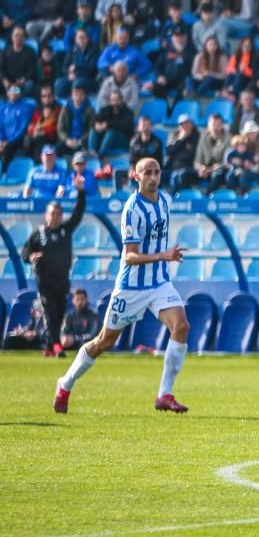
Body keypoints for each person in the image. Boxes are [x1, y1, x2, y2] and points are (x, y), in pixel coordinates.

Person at [55, 157, 190, 413]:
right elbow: (129, 256)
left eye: (156, 172)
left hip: (160, 281)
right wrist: (163, 255)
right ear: (136, 177)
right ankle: (66, 382)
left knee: (181, 326)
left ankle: (164, 394)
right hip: (131, 287)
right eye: (147, 172)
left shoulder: (165, 200)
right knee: (104, 341)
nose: (153, 177)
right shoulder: (133, 209)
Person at [21, 174, 86, 354]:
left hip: (62, 278)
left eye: (58, 214)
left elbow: (78, 213)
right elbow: (25, 252)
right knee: (50, 311)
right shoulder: (38, 234)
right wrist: (31, 257)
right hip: (45, 280)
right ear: (46, 215)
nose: (56, 217)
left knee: (60, 312)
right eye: (52, 214)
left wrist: (80, 192)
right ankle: (57, 346)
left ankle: (50, 346)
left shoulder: (66, 229)